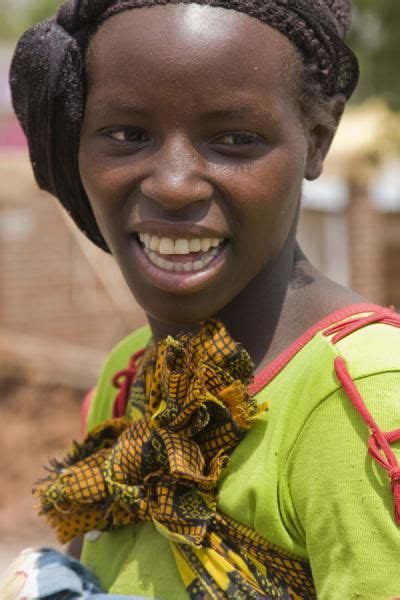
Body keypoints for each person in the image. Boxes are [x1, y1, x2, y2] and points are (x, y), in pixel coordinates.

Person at [7, 0, 400, 598]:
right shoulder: (132, 374)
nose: (173, 183)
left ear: (317, 141)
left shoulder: (360, 402)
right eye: (125, 134)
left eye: (236, 139)